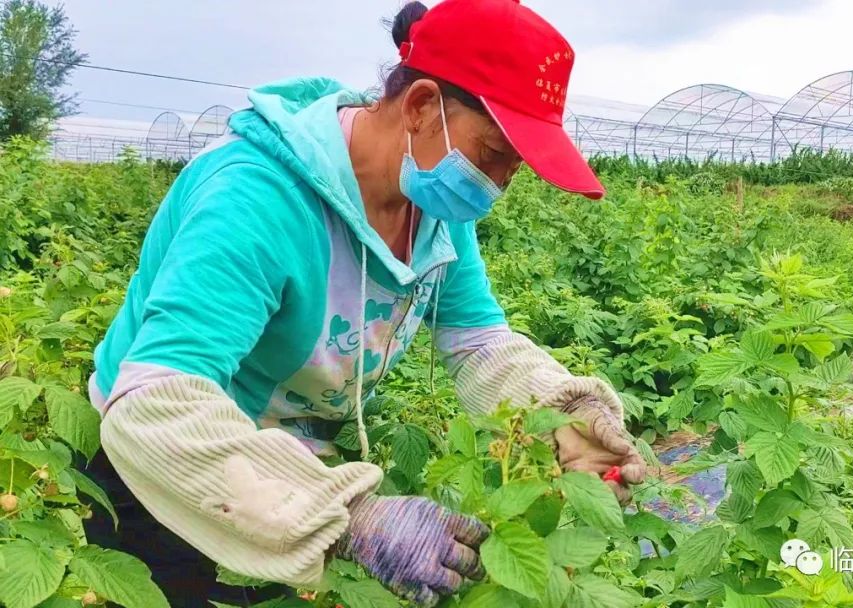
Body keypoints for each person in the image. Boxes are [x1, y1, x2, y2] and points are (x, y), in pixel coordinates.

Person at [83, 1, 646, 606]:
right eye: (493, 154)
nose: (499, 184)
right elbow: (156, 400)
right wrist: (349, 516)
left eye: (515, 168)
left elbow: (474, 337)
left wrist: (563, 410)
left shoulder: (430, 200)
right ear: (423, 106)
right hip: (180, 469)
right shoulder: (255, 198)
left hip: (302, 465)